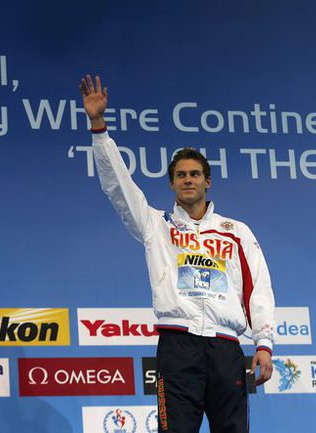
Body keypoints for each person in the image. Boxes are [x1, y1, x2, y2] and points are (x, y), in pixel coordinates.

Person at [80, 75, 276, 433]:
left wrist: (263, 343)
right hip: (177, 347)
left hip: (225, 347)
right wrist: (98, 127)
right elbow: (118, 186)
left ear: (208, 181)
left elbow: (257, 287)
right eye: (181, 175)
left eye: (195, 174)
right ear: (171, 183)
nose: (188, 180)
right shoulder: (156, 225)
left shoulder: (236, 231)